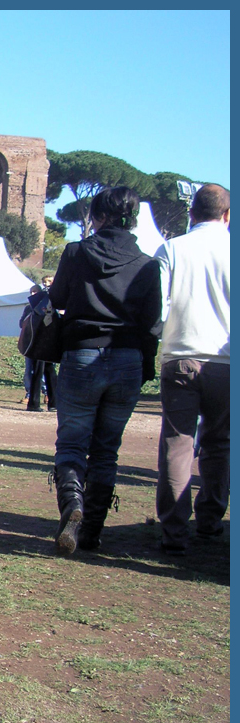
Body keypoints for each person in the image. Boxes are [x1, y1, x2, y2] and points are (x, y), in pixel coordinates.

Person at [48, 186, 162, 556]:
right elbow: (150, 323)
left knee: (71, 443)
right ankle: (93, 531)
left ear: (96, 216)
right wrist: (146, 368)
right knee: (106, 451)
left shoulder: (76, 252)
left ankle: (72, 507)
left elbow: (59, 300)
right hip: (128, 359)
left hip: (81, 356)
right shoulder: (147, 264)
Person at [154, 184, 230, 556]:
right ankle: (211, 520)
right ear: (227, 215)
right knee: (220, 443)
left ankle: (173, 530)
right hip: (226, 360)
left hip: (181, 355)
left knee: (177, 443)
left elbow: (160, 307)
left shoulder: (172, 248)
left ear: (191, 213)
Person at [20, 284, 57, 412]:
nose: (33, 294)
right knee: (37, 371)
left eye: (35, 291)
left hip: (46, 342)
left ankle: (53, 402)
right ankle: (34, 403)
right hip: (36, 342)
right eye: (32, 292)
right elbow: (23, 324)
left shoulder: (50, 306)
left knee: (49, 370)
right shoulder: (30, 307)